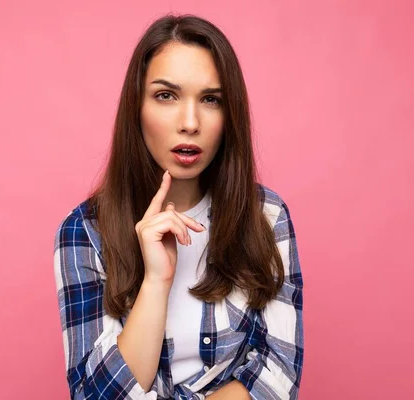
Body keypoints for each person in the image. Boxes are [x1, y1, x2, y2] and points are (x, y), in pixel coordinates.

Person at [53, 13, 304, 400]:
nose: (190, 122)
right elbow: (93, 395)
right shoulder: (84, 232)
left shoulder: (266, 216)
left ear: (229, 114)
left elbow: (279, 376)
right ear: (136, 108)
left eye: (210, 99)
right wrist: (156, 282)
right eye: (166, 95)